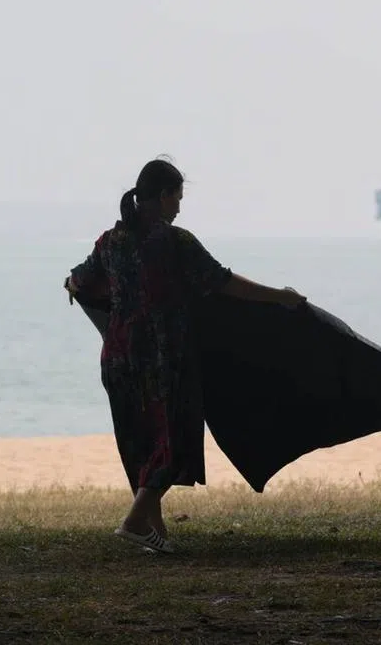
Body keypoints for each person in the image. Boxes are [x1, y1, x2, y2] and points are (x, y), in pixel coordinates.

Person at [64, 157, 306, 554]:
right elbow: (224, 282)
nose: (178, 207)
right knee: (172, 440)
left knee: (140, 441)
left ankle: (154, 535)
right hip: (163, 357)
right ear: (161, 197)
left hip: (119, 357)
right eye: (176, 198)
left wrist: (71, 284)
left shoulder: (110, 242)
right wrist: (281, 297)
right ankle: (134, 522)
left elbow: (80, 279)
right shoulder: (176, 243)